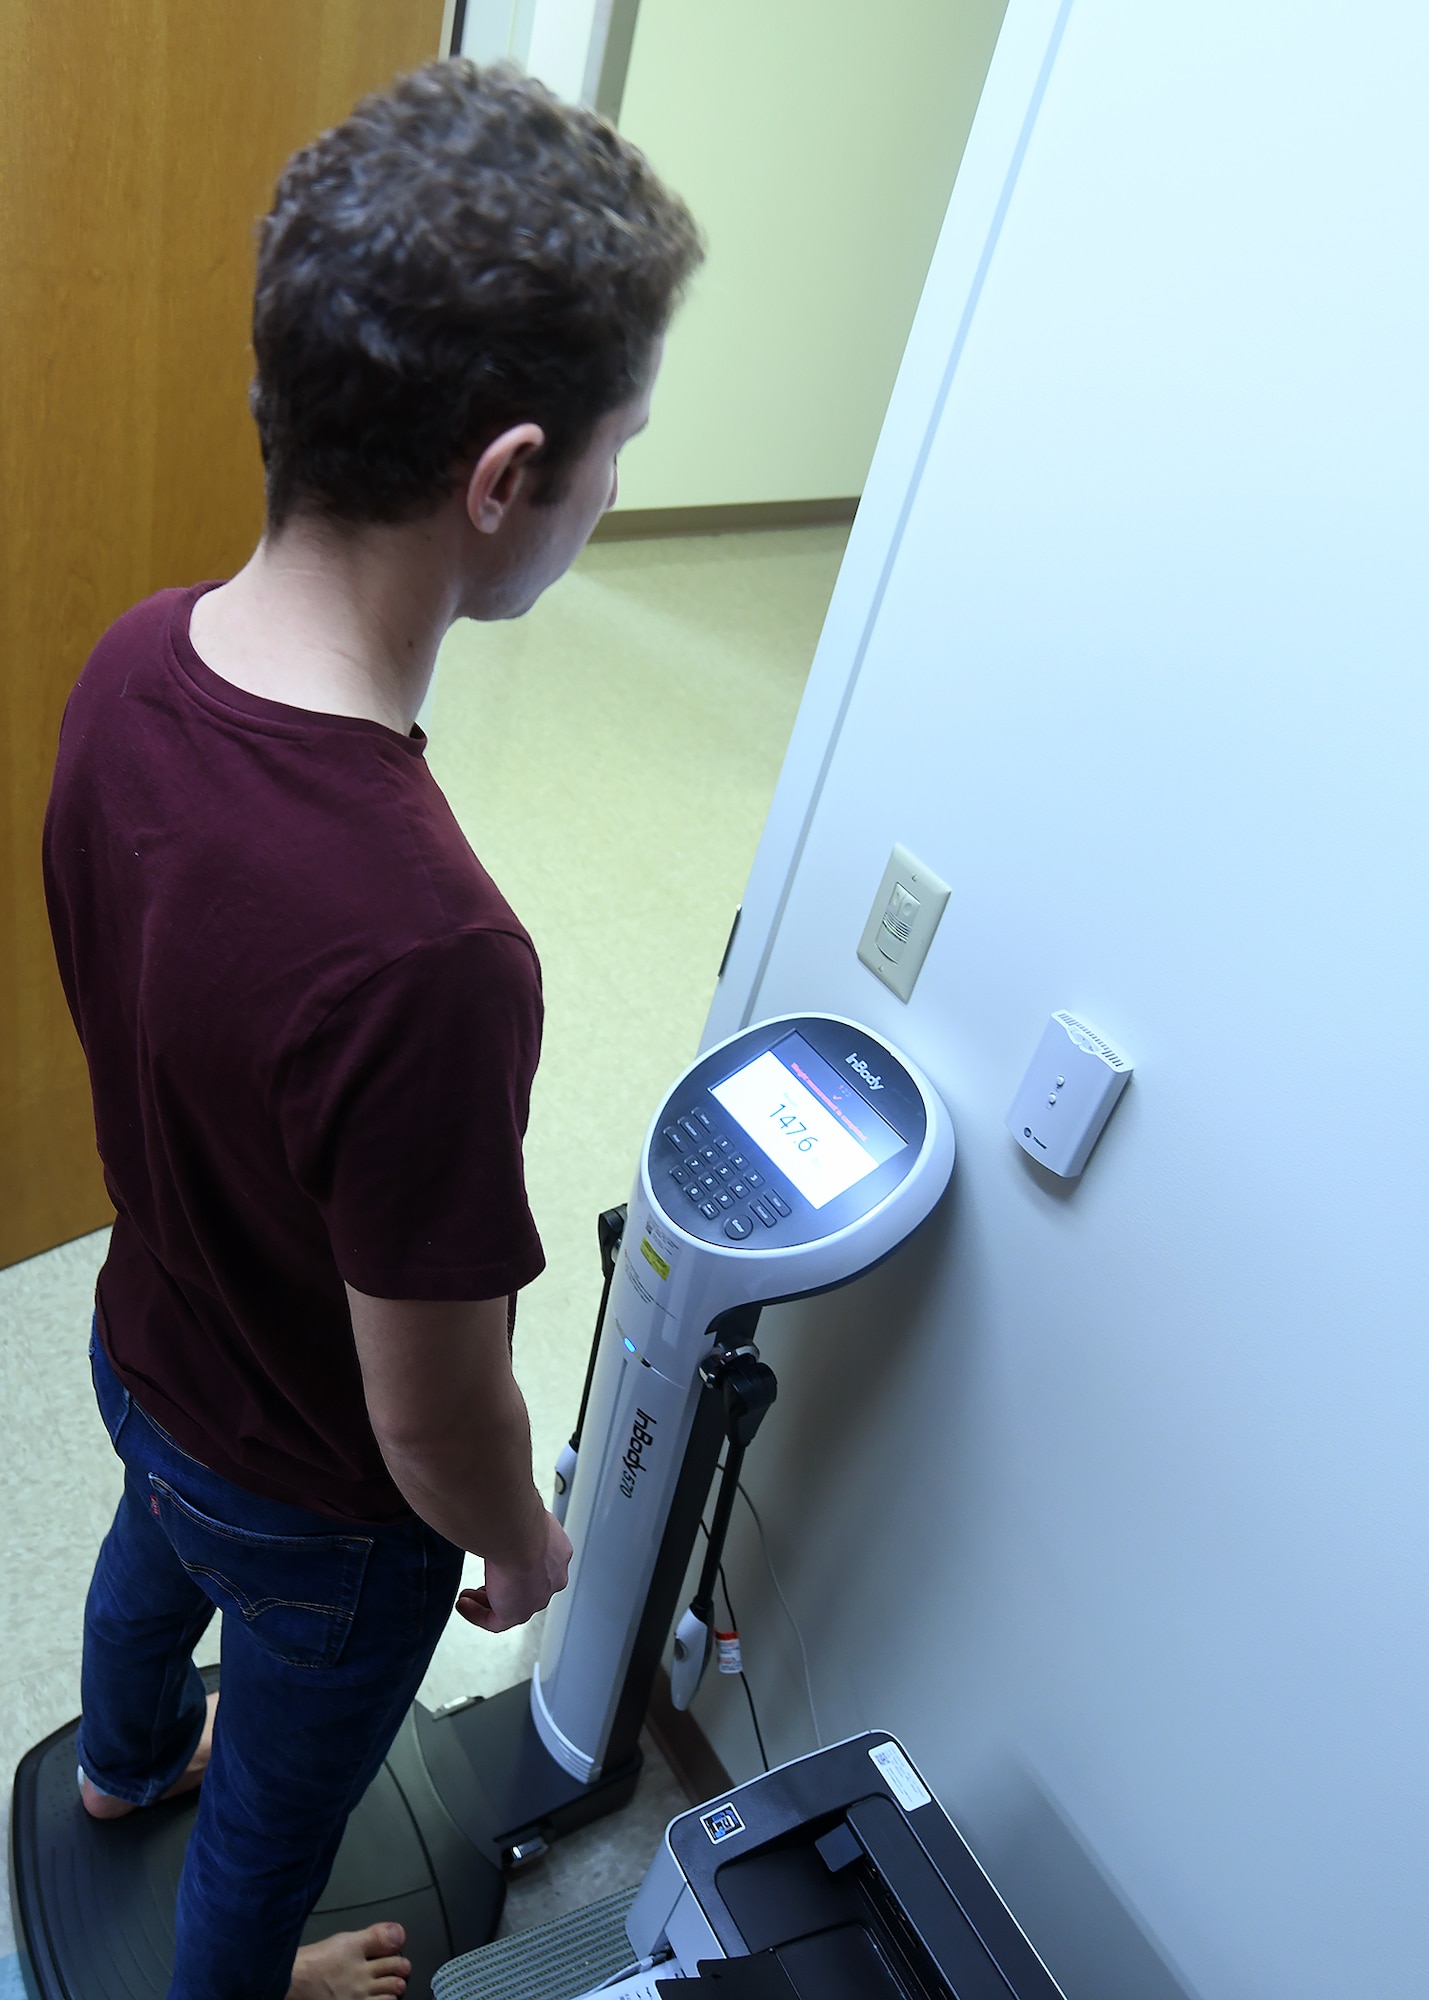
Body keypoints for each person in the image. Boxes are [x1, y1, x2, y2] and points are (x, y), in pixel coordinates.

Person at [42, 58, 702, 2000]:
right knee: (275, 1823)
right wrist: (522, 1540)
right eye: (615, 449)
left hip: (141, 1354)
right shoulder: (431, 949)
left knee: (146, 1579)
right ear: (505, 477)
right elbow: (425, 1414)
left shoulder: (126, 667)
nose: (609, 491)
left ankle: (109, 1766)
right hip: (320, 1514)